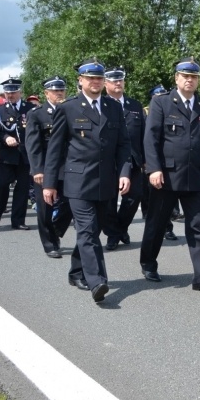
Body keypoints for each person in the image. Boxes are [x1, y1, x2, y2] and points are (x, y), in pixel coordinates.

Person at [43, 58, 131, 303]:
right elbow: (55, 149)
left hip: (106, 182)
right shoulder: (68, 108)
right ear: (80, 81)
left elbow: (124, 144)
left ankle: (76, 271)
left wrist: (124, 172)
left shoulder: (113, 107)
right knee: (87, 230)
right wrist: (49, 183)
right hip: (78, 181)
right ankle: (97, 281)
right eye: (90, 78)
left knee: (96, 229)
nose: (95, 82)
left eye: (99, 78)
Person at [139, 57, 200, 294]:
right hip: (166, 175)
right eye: (185, 76)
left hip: (194, 177)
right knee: (157, 223)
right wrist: (153, 169)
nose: (190, 80)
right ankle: (148, 263)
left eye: (194, 77)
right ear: (176, 78)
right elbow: (151, 138)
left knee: (197, 227)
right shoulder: (161, 103)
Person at [25, 76, 73, 256]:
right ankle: (50, 244)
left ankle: (56, 230)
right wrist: (37, 169)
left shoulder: (70, 110)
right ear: (46, 94)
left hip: (68, 165)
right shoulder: (36, 114)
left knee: (71, 202)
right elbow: (33, 144)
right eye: (55, 91)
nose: (59, 93)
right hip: (45, 167)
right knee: (45, 208)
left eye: (61, 90)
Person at [102, 67, 146, 251]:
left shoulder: (134, 105)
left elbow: (144, 134)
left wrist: (146, 159)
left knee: (133, 198)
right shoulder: (101, 104)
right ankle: (113, 234)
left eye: (120, 80)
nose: (118, 83)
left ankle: (120, 228)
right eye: (113, 81)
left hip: (133, 159)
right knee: (109, 201)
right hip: (109, 161)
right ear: (105, 84)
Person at [0, 78, 36, 229]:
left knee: (22, 189)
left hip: (24, 155)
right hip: (7, 155)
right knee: (2, 184)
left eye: (14, 92)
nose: (10, 95)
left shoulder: (30, 108)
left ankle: (18, 221)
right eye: (8, 92)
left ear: (20, 92)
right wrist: (6, 137)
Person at [142, 84, 177, 241]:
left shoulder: (171, 109)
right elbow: (146, 138)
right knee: (148, 198)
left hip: (164, 163)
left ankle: (167, 228)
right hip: (148, 161)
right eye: (157, 96)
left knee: (165, 201)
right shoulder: (145, 112)